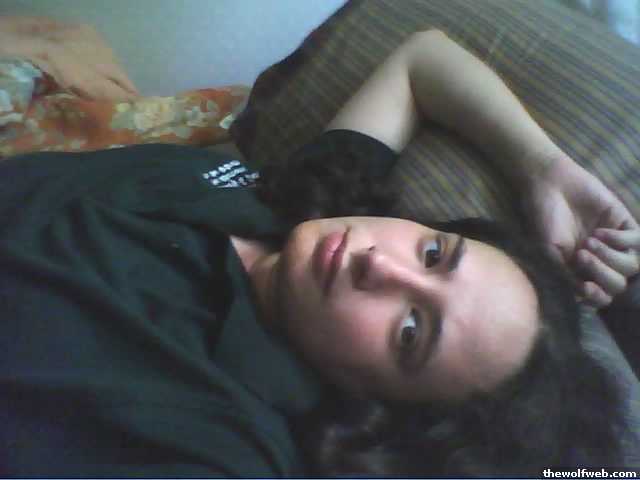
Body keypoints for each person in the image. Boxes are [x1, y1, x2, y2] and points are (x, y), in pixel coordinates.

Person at [1, 29, 638, 477]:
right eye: (433, 254)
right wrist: (544, 170)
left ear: (376, 408)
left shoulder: (220, 437)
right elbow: (423, 60)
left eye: (410, 331)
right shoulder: (306, 204)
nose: (379, 265)